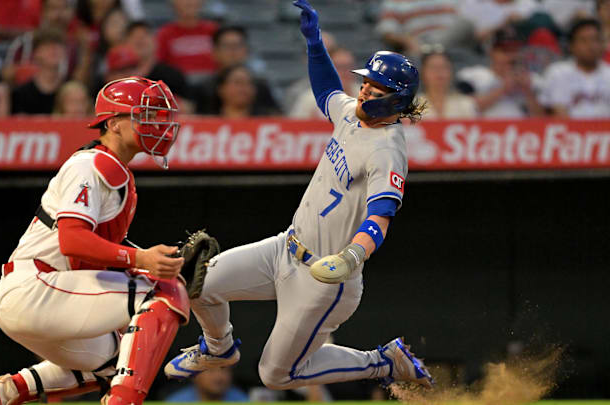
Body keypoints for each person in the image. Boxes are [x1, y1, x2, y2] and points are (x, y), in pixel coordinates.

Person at [164, 0, 433, 392]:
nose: (364, 93)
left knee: (274, 375)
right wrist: (313, 44)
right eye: (365, 83)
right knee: (197, 281)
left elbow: (381, 216)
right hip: (284, 248)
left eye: (376, 89)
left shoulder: (387, 149)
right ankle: (218, 348)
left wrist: (352, 256)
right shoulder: (354, 114)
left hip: (324, 278)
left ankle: (382, 363)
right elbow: (327, 89)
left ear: (397, 99)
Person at [0, 76, 189, 405]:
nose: (156, 124)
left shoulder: (116, 171)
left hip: (47, 293)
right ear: (114, 124)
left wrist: (163, 262)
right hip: (35, 287)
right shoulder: (89, 165)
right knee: (164, 295)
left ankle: (5, 392)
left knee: (122, 357)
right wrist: (144, 263)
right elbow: (73, 241)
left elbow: (95, 256)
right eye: (144, 116)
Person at [457, 27, 544, 118]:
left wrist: (528, 91)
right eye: (505, 50)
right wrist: (503, 89)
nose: (510, 56)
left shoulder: (533, 79)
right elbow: (466, 109)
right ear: (491, 52)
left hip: (522, 131)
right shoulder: (473, 75)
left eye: (514, 50)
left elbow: (543, 120)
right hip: (485, 130)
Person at [192, 26, 280, 115]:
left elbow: (276, 116)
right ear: (214, 52)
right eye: (226, 46)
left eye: (238, 45)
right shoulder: (202, 88)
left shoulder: (261, 86)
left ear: (247, 51)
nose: (233, 51)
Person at [539, 18, 610, 117]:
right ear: (571, 46)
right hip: (568, 130)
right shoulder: (557, 73)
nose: (591, 46)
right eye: (584, 41)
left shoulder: (608, 73)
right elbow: (551, 110)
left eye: (596, 40)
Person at [289, 47, 360, 119]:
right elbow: (295, 126)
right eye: (339, 67)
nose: (346, 72)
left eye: (349, 67)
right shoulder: (311, 100)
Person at [156, 0, 218, 80]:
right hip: (178, 85)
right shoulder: (164, 34)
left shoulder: (214, 30)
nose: (189, 2)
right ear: (173, 4)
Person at [11, 28, 67, 115]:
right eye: (47, 45)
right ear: (36, 53)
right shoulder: (21, 94)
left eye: (58, 45)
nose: (54, 49)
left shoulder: (72, 90)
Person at [416, 45, 477, 119]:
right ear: (422, 73)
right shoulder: (412, 105)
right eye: (433, 67)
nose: (439, 72)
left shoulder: (466, 103)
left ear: (452, 72)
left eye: (444, 67)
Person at [165, 368, 248, 402]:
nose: (218, 377)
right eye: (210, 370)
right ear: (194, 375)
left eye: (224, 369)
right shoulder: (177, 402)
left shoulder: (242, 400)